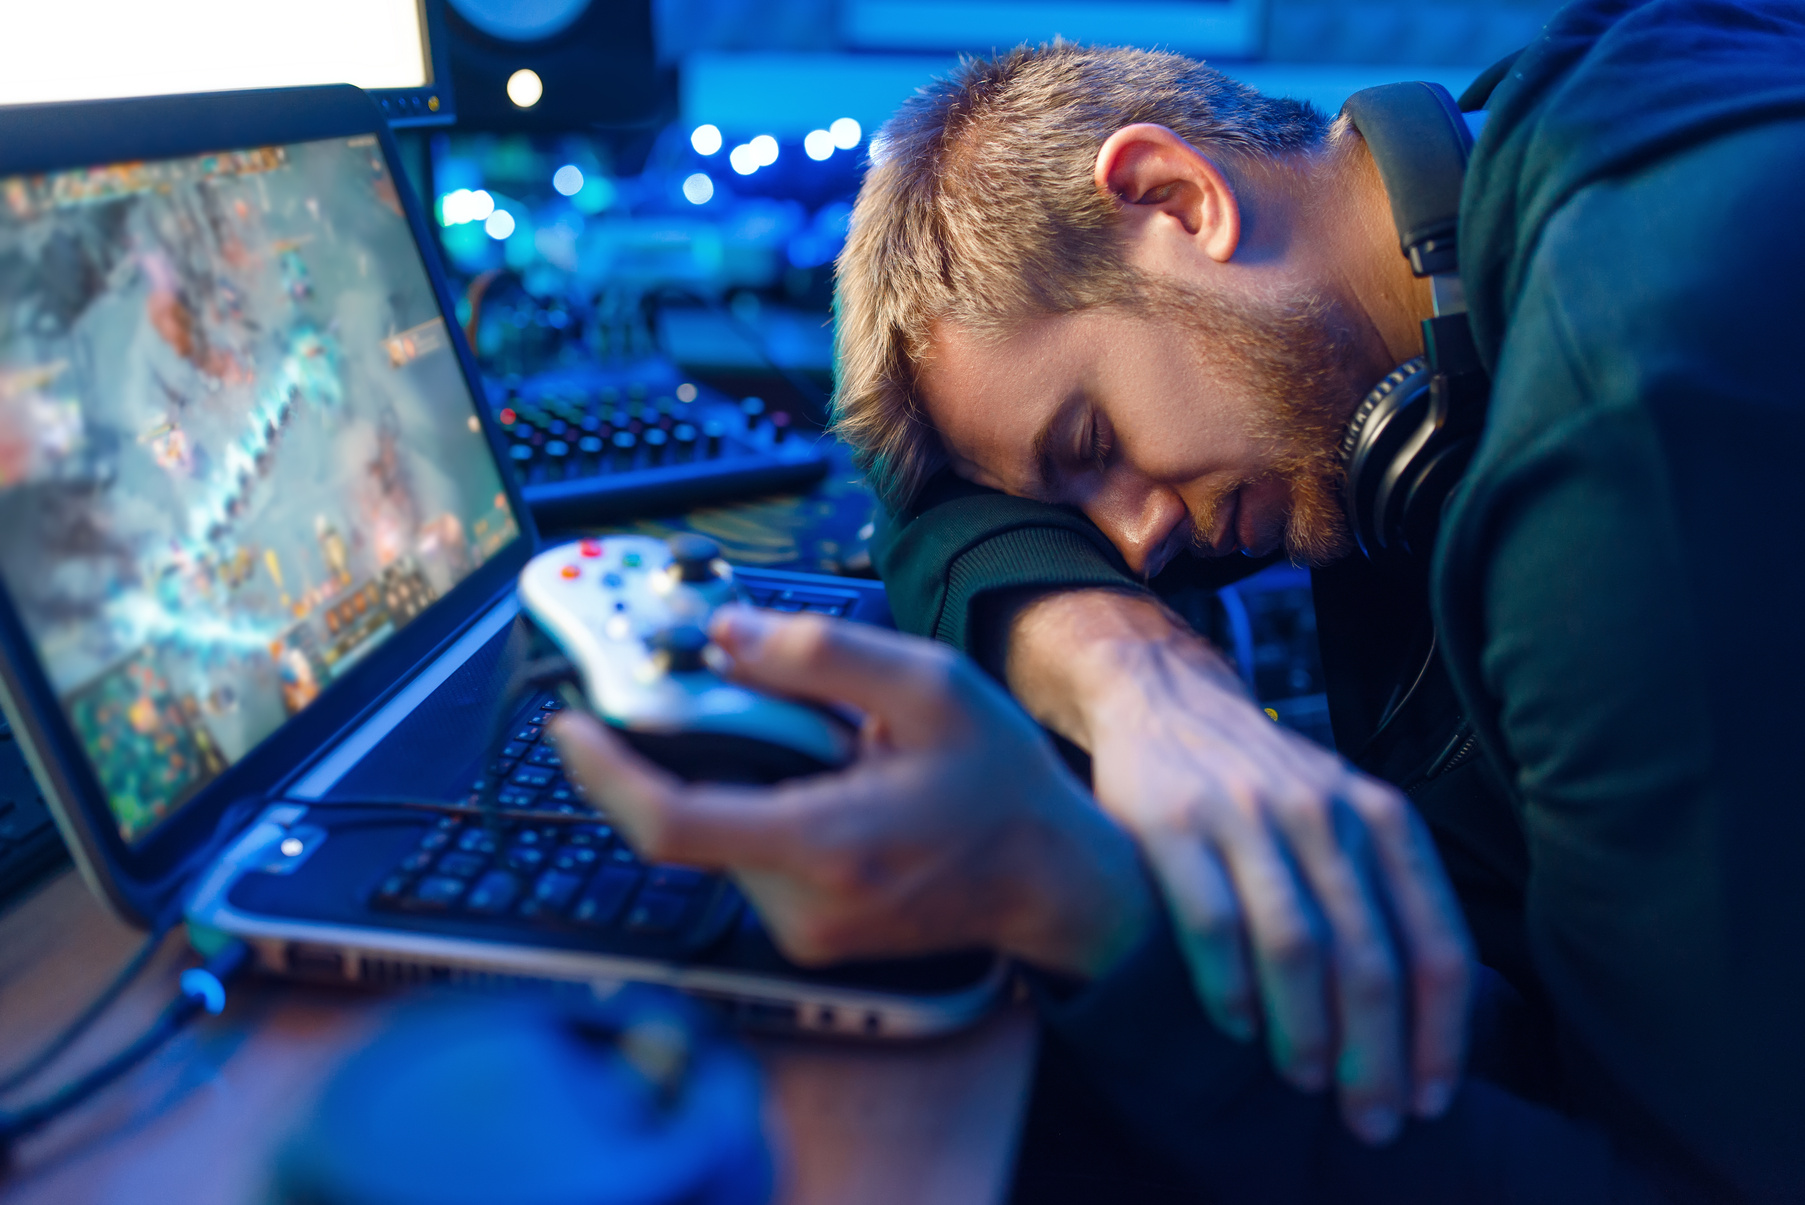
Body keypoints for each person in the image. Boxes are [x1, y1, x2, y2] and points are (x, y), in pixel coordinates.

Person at [553, 1, 1805, 1199]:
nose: (1141, 540)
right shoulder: (1513, 182)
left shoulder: (1622, 418)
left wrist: (1077, 904)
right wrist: (1131, 671)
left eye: (1090, 437)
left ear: (1172, 198)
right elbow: (929, 518)